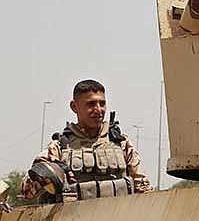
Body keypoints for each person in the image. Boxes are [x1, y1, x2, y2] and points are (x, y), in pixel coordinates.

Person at [21, 80, 153, 202]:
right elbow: (27, 192)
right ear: (74, 107)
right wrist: (48, 173)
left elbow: (142, 187)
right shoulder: (59, 147)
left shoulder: (121, 143)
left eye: (102, 103)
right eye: (90, 104)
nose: (98, 110)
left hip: (118, 220)